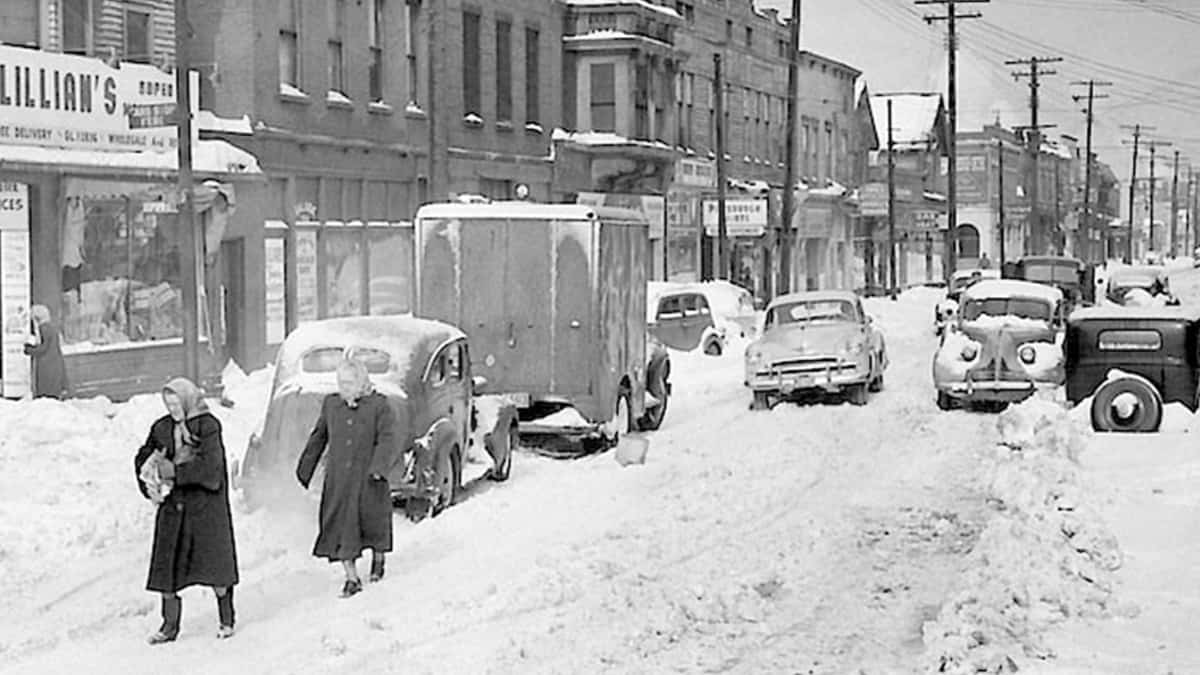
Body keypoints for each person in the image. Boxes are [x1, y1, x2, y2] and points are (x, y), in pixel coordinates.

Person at [134, 378, 239, 644]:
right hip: (174, 509)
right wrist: (148, 477)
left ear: (188, 399)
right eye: (168, 404)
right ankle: (169, 625)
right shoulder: (161, 427)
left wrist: (176, 472)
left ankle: (226, 618)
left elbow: (212, 468)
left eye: (176, 403)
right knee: (167, 569)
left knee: (215, 567)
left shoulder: (208, 426)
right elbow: (145, 455)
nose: (172, 409)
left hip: (205, 510)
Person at [296, 358, 398, 598]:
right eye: (341, 383)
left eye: (350, 383)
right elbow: (319, 436)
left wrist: (378, 467)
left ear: (362, 382)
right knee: (342, 528)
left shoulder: (379, 405)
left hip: (368, 479)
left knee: (373, 525)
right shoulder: (331, 405)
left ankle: (379, 559)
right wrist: (305, 467)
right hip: (340, 480)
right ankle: (352, 578)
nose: (344, 388)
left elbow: (387, 438)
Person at [23, 304, 69, 399]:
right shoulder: (50, 327)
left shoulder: (43, 328)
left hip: (46, 363)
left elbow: (43, 348)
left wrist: (29, 350)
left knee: (46, 390)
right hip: (54, 360)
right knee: (53, 389)